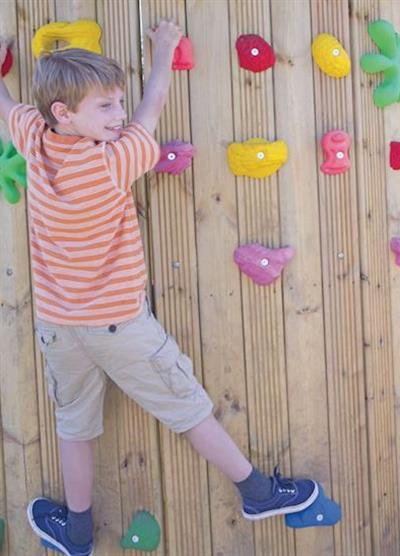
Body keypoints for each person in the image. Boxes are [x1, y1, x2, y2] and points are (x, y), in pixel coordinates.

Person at [0, 22, 318, 556]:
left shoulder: (33, 141)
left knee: (73, 425)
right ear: (64, 113)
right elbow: (154, 107)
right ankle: (257, 492)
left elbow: (8, 108)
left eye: (117, 102)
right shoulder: (110, 161)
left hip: (59, 326)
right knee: (187, 406)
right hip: (120, 324)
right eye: (105, 106)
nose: (120, 114)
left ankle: (76, 531)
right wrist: (166, 51)